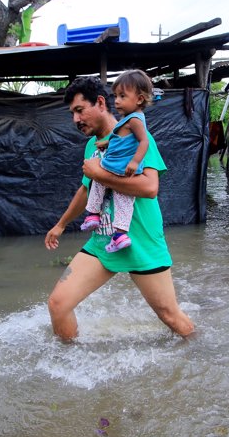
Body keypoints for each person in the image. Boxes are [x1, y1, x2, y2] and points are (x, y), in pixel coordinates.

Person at [44, 76, 194, 341]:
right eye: (72, 114)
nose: (76, 120)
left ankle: (200, 353)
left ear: (100, 103)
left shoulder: (136, 137)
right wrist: (61, 224)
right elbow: (85, 189)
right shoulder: (93, 146)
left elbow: (150, 187)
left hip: (140, 241)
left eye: (80, 111)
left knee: (170, 316)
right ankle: (70, 364)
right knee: (58, 304)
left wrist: (99, 174)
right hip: (102, 241)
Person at [80, 70, 152, 253]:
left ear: (140, 99)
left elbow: (144, 141)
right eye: (116, 96)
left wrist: (135, 162)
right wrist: (106, 141)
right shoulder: (128, 119)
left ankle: (93, 215)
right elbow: (119, 137)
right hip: (122, 168)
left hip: (115, 165)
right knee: (124, 201)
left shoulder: (135, 120)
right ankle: (120, 235)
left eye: (122, 96)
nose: (117, 101)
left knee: (97, 180)